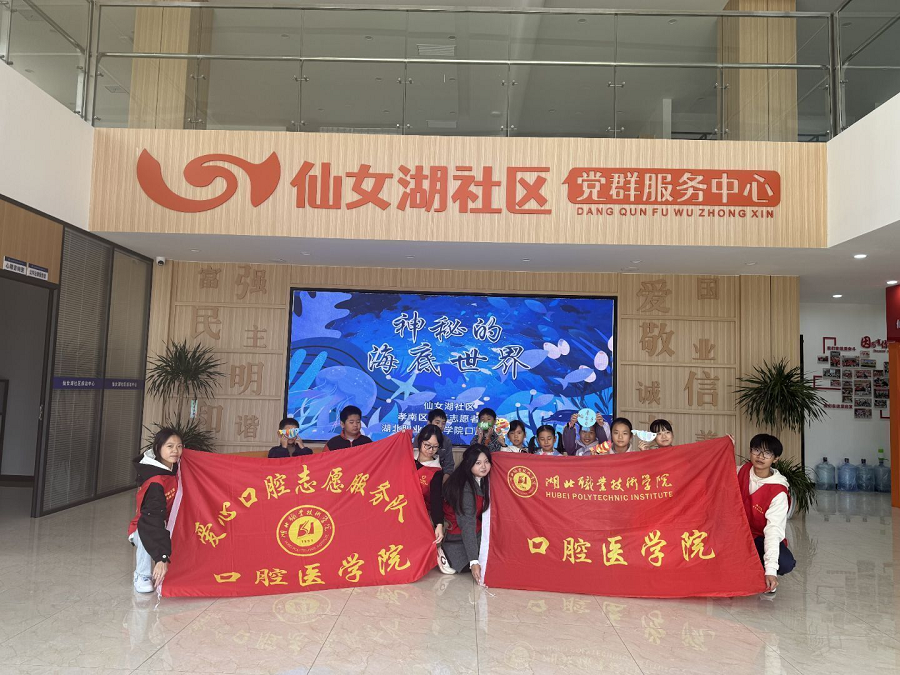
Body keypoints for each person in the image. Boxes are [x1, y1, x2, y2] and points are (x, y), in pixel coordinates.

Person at [738, 433, 795, 595]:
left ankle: (761, 573)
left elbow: (773, 531)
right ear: (750, 452)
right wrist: (725, 446)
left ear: (775, 459)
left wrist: (770, 570)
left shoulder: (778, 492)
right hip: (737, 533)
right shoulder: (741, 471)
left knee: (785, 563)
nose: (761, 456)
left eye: (768, 453)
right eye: (757, 450)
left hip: (760, 537)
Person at [127, 428, 181, 593]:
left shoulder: (175, 468)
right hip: (145, 525)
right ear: (158, 448)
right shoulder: (156, 482)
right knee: (147, 531)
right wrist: (161, 557)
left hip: (168, 520)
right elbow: (151, 520)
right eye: (170, 446)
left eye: (179, 446)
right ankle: (142, 574)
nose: (175, 450)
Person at [438, 444, 491, 583]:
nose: (484, 466)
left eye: (486, 461)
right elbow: (467, 524)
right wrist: (474, 562)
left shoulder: (482, 479)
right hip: (459, 532)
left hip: (474, 526)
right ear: (469, 464)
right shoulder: (465, 487)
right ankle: (447, 554)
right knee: (485, 557)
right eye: (478, 463)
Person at [413, 426, 446, 546]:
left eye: (435, 446)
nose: (431, 450)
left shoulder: (435, 471)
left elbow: (436, 500)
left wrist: (439, 524)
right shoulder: (408, 457)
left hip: (419, 515)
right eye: (427, 445)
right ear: (420, 441)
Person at [427, 408, 456, 479]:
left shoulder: (446, 441)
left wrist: (445, 481)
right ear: (429, 423)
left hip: (439, 475)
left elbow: (449, 465)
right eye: (437, 423)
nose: (440, 426)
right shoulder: (420, 438)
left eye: (443, 423)